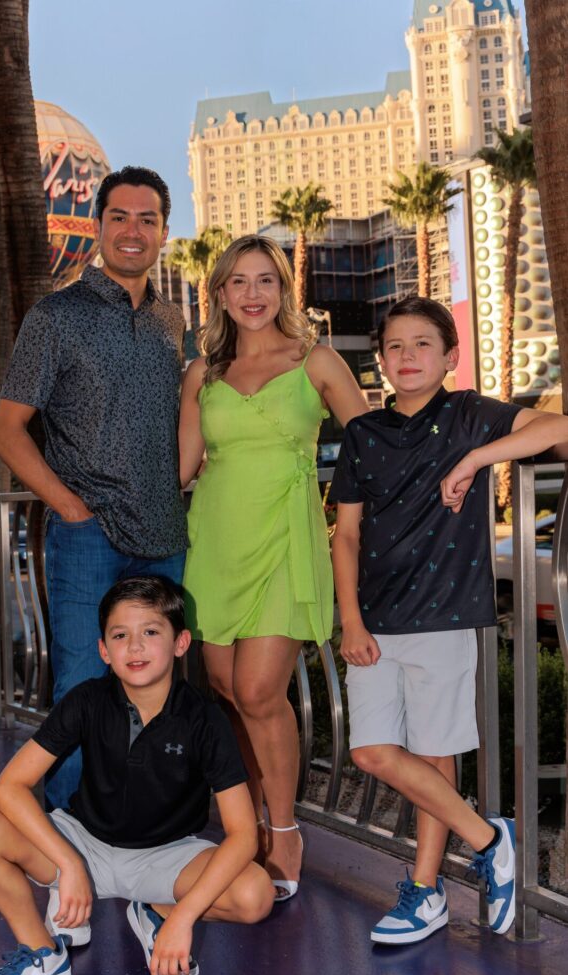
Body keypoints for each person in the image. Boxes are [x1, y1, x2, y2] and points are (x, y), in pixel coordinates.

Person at [331, 295, 568, 945]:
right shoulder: (361, 435)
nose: (406, 357)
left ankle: (425, 892)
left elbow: (557, 430)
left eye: (421, 345)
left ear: (449, 357)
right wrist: (349, 621)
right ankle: (491, 839)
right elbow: (345, 535)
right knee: (372, 751)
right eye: (394, 347)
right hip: (374, 621)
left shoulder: (467, 415)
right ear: (380, 361)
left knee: (435, 761)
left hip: (443, 617)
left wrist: (475, 459)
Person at [0, 575, 274, 975]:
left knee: (255, 894)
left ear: (181, 643)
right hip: (83, 843)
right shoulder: (87, 700)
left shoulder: (205, 720)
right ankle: (42, 954)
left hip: (167, 855)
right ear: (104, 650)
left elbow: (243, 835)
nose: (136, 647)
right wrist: (69, 863)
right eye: (120, 635)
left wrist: (183, 918)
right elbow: (9, 787)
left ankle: (157, 912)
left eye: (151, 632)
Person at [0, 166, 188, 810]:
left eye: (148, 219)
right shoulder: (55, 317)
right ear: (99, 227)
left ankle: (145, 821)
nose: (134, 231)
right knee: (81, 689)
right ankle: (68, 837)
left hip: (165, 539)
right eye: (120, 218)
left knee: (160, 689)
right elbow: (7, 429)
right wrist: (69, 507)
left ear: (164, 231)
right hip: (88, 539)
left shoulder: (170, 323)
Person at [179, 235, 367, 901]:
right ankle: (247, 826)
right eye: (238, 282)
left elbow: (367, 448)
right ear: (220, 295)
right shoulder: (202, 373)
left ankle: (284, 829)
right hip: (215, 542)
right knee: (229, 690)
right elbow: (179, 469)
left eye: (265, 280)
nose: (252, 294)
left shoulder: (314, 360)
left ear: (282, 290)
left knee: (260, 690)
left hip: (286, 537)